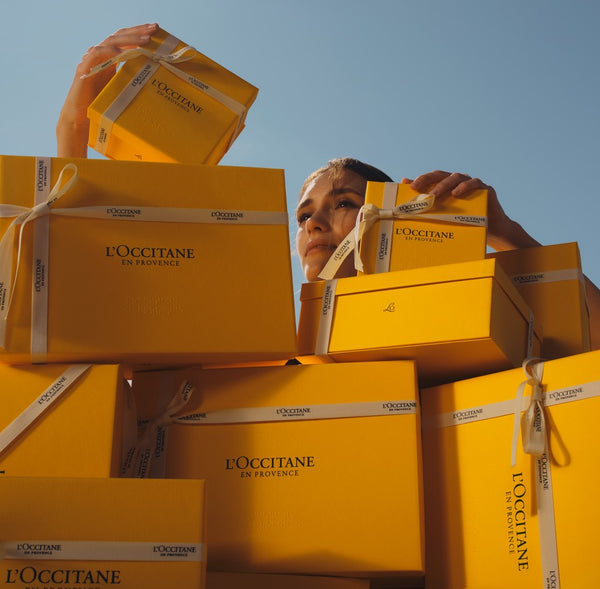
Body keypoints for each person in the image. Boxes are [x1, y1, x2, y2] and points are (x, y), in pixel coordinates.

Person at [57, 23, 600, 349]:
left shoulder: (448, 322)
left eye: (345, 203)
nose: (314, 223)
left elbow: (586, 342)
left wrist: (504, 232)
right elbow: (96, 319)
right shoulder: (255, 337)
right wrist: (75, 133)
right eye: (303, 215)